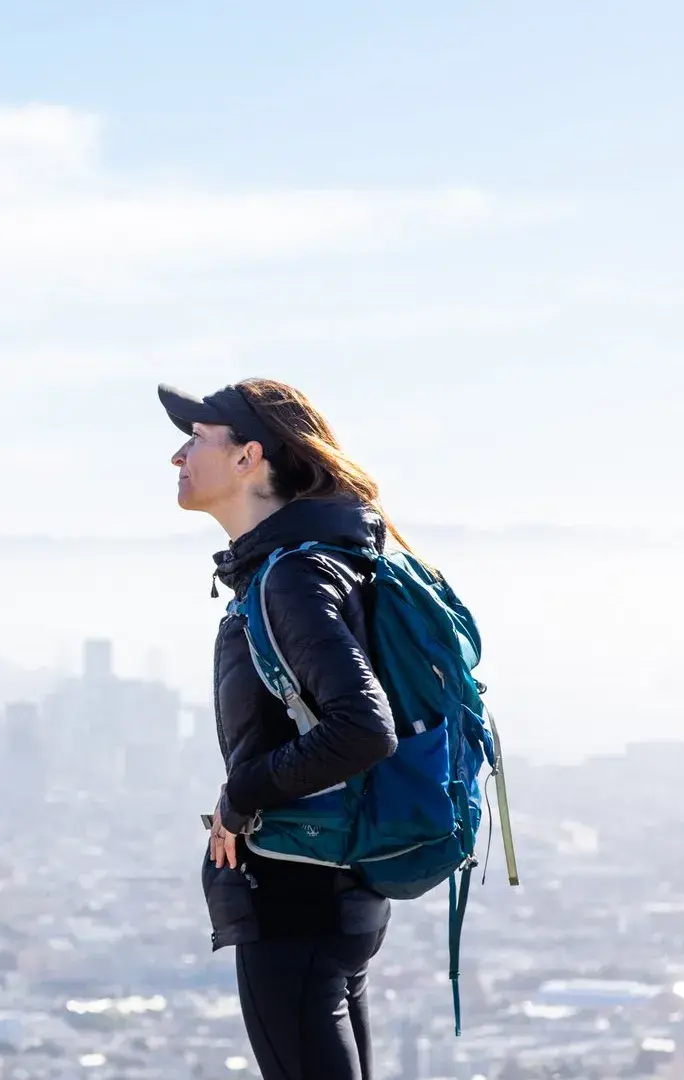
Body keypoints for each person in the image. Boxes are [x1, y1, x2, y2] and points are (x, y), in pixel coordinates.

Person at [160, 378, 402, 1080]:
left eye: (197, 439)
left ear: (248, 458)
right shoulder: (308, 562)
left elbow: (363, 727)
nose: (177, 457)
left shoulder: (293, 576)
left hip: (299, 898)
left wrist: (242, 797)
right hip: (335, 890)